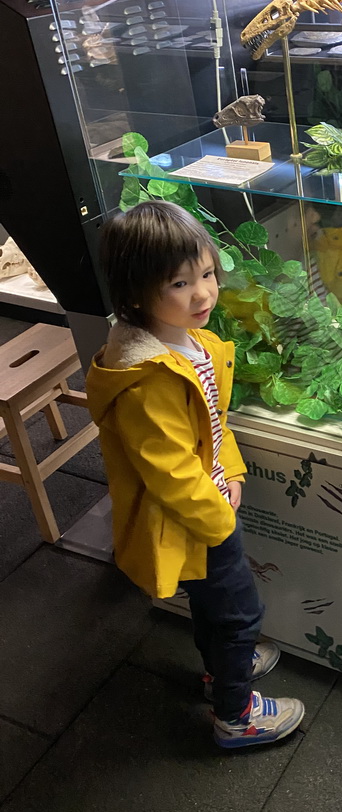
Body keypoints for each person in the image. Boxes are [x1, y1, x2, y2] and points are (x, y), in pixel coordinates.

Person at [86, 199, 304, 749]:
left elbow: (212, 421)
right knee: (239, 612)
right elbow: (169, 470)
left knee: (213, 606)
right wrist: (218, 520)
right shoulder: (148, 378)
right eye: (180, 284)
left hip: (206, 502)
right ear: (137, 293)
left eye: (206, 273)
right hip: (192, 517)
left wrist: (229, 468)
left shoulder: (190, 343)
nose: (204, 293)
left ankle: (220, 669)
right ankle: (235, 715)